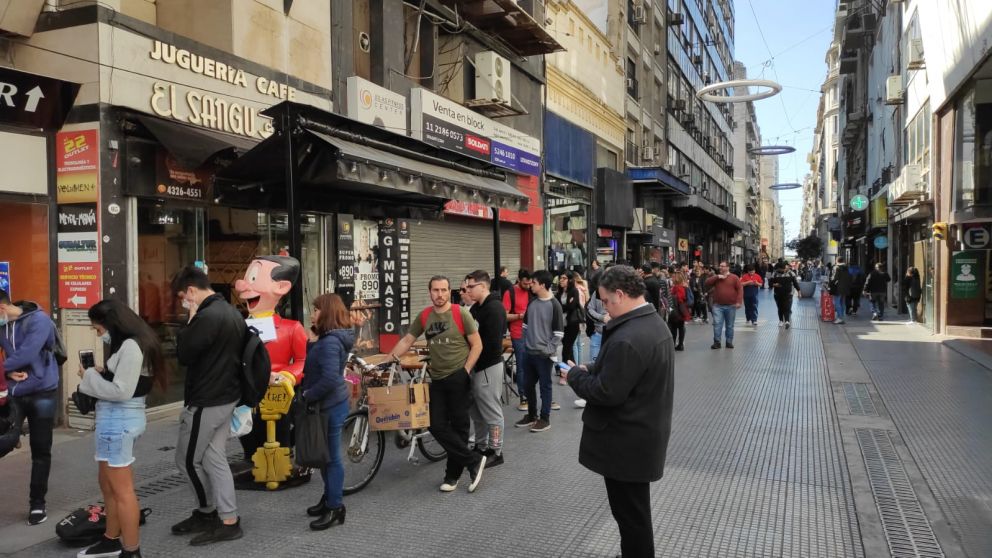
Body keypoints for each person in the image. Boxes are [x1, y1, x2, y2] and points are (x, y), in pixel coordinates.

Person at [566, 265, 674, 558]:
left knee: (631, 517)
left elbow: (606, 392)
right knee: (634, 514)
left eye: (606, 301)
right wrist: (592, 368)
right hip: (642, 436)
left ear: (621, 294)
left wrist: (575, 377)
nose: (604, 308)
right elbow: (624, 373)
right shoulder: (651, 324)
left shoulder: (629, 337)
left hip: (627, 443)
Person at [76, 299, 167, 558]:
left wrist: (90, 377)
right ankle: (111, 539)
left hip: (119, 420)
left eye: (98, 330)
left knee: (121, 490)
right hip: (116, 420)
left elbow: (121, 391)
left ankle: (131, 549)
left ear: (111, 325)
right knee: (107, 484)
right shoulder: (134, 344)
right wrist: (103, 372)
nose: (98, 335)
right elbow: (129, 382)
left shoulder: (130, 346)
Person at [169, 266, 245, 546]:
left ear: (191, 291)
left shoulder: (207, 316)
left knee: (186, 460)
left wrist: (190, 319)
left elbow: (185, 354)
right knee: (214, 458)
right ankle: (228, 518)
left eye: (182, 297)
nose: (182, 303)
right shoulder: (230, 311)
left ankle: (208, 512)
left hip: (207, 399)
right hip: (226, 396)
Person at [388, 276, 486, 493]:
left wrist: (466, 370)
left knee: (460, 428)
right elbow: (407, 340)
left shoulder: (461, 314)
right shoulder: (424, 316)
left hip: (459, 376)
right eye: (435, 290)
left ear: (449, 291)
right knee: (434, 423)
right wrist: (389, 359)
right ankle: (473, 460)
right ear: (429, 291)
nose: (439, 294)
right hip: (438, 378)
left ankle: (452, 476)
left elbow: (477, 345)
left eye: (443, 290)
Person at [233, 256, 308, 465]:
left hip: (278, 393)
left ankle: (279, 466)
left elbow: (304, 359)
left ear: (281, 287)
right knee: (247, 431)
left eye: (254, 278)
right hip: (248, 392)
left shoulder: (292, 328)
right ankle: (253, 461)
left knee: (280, 431)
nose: (244, 286)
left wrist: (288, 375)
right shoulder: (239, 327)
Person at [0, 289, 59, 526]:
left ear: (2, 308)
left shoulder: (39, 320)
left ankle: (37, 504)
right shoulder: (3, 326)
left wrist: (3, 369)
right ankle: (14, 436)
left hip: (42, 392)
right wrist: (6, 371)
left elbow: (28, 353)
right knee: (4, 439)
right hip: (14, 393)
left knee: (41, 450)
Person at [301, 293, 353, 530]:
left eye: (316, 310)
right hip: (328, 404)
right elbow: (315, 363)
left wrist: (308, 395)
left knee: (331, 459)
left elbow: (330, 378)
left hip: (330, 405)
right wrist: (312, 341)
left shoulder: (331, 341)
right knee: (324, 457)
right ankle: (329, 498)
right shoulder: (327, 338)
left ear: (327, 313)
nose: (312, 313)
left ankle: (335, 507)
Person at [463, 270, 507, 468]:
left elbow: (490, 343)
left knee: (491, 411)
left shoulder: (495, 308)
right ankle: (481, 446)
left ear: (483, 286)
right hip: (476, 367)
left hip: (488, 366)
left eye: (471, 287)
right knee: (477, 411)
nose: (468, 291)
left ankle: (495, 451)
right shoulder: (476, 309)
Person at [515, 270, 564, 433]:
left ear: (542, 285)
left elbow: (558, 333)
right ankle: (531, 416)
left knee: (545, 386)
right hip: (529, 352)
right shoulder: (532, 302)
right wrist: (526, 344)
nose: (530, 285)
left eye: (534, 283)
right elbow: (525, 326)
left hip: (544, 356)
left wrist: (547, 350)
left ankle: (545, 418)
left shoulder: (554, 305)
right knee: (528, 385)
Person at [503, 269, 532, 413]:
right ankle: (523, 396)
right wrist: (521, 316)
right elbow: (505, 316)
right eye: (525, 283)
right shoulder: (510, 293)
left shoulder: (532, 290)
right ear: (519, 280)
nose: (528, 286)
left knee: (533, 365)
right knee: (521, 365)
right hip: (518, 333)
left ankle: (531, 394)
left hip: (533, 334)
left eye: (530, 283)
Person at [704, 262, 743, 349]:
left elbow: (740, 289)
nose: (720, 267)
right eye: (720, 266)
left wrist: (739, 301)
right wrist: (717, 277)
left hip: (731, 305)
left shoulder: (734, 277)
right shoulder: (717, 277)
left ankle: (729, 342)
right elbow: (707, 283)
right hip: (718, 305)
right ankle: (717, 342)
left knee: (729, 325)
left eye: (722, 266)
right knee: (717, 324)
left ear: (727, 268)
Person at [556, 272, 582, 367]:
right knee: (569, 348)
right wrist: (565, 305)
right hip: (561, 324)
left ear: (570, 280)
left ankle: (564, 371)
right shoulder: (559, 293)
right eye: (560, 278)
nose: (561, 280)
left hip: (572, 323)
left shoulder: (574, 291)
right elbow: (557, 307)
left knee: (566, 348)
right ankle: (574, 369)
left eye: (564, 278)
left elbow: (572, 306)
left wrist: (564, 306)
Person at [768, 262, 801, 328]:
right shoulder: (775, 274)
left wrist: (799, 292)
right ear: (778, 268)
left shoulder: (791, 273)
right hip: (777, 293)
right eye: (782, 269)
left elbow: (795, 283)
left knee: (787, 307)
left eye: (785, 268)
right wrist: (775, 284)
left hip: (788, 293)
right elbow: (770, 283)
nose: (784, 270)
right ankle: (781, 321)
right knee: (780, 308)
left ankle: (787, 321)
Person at [668, 272, 691, 351]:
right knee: (681, 327)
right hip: (682, 309)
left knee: (673, 327)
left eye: (673, 277)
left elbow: (679, 298)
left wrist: (672, 296)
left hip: (677, 309)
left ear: (676, 278)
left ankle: (674, 344)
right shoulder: (685, 287)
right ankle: (680, 344)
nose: (672, 278)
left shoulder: (677, 287)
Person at [828, 257, 852, 324]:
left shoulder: (836, 268)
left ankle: (839, 318)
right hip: (845, 288)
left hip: (837, 288)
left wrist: (829, 284)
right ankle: (842, 317)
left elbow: (834, 278)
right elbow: (850, 278)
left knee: (837, 303)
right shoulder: (847, 268)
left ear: (836, 261)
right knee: (842, 303)